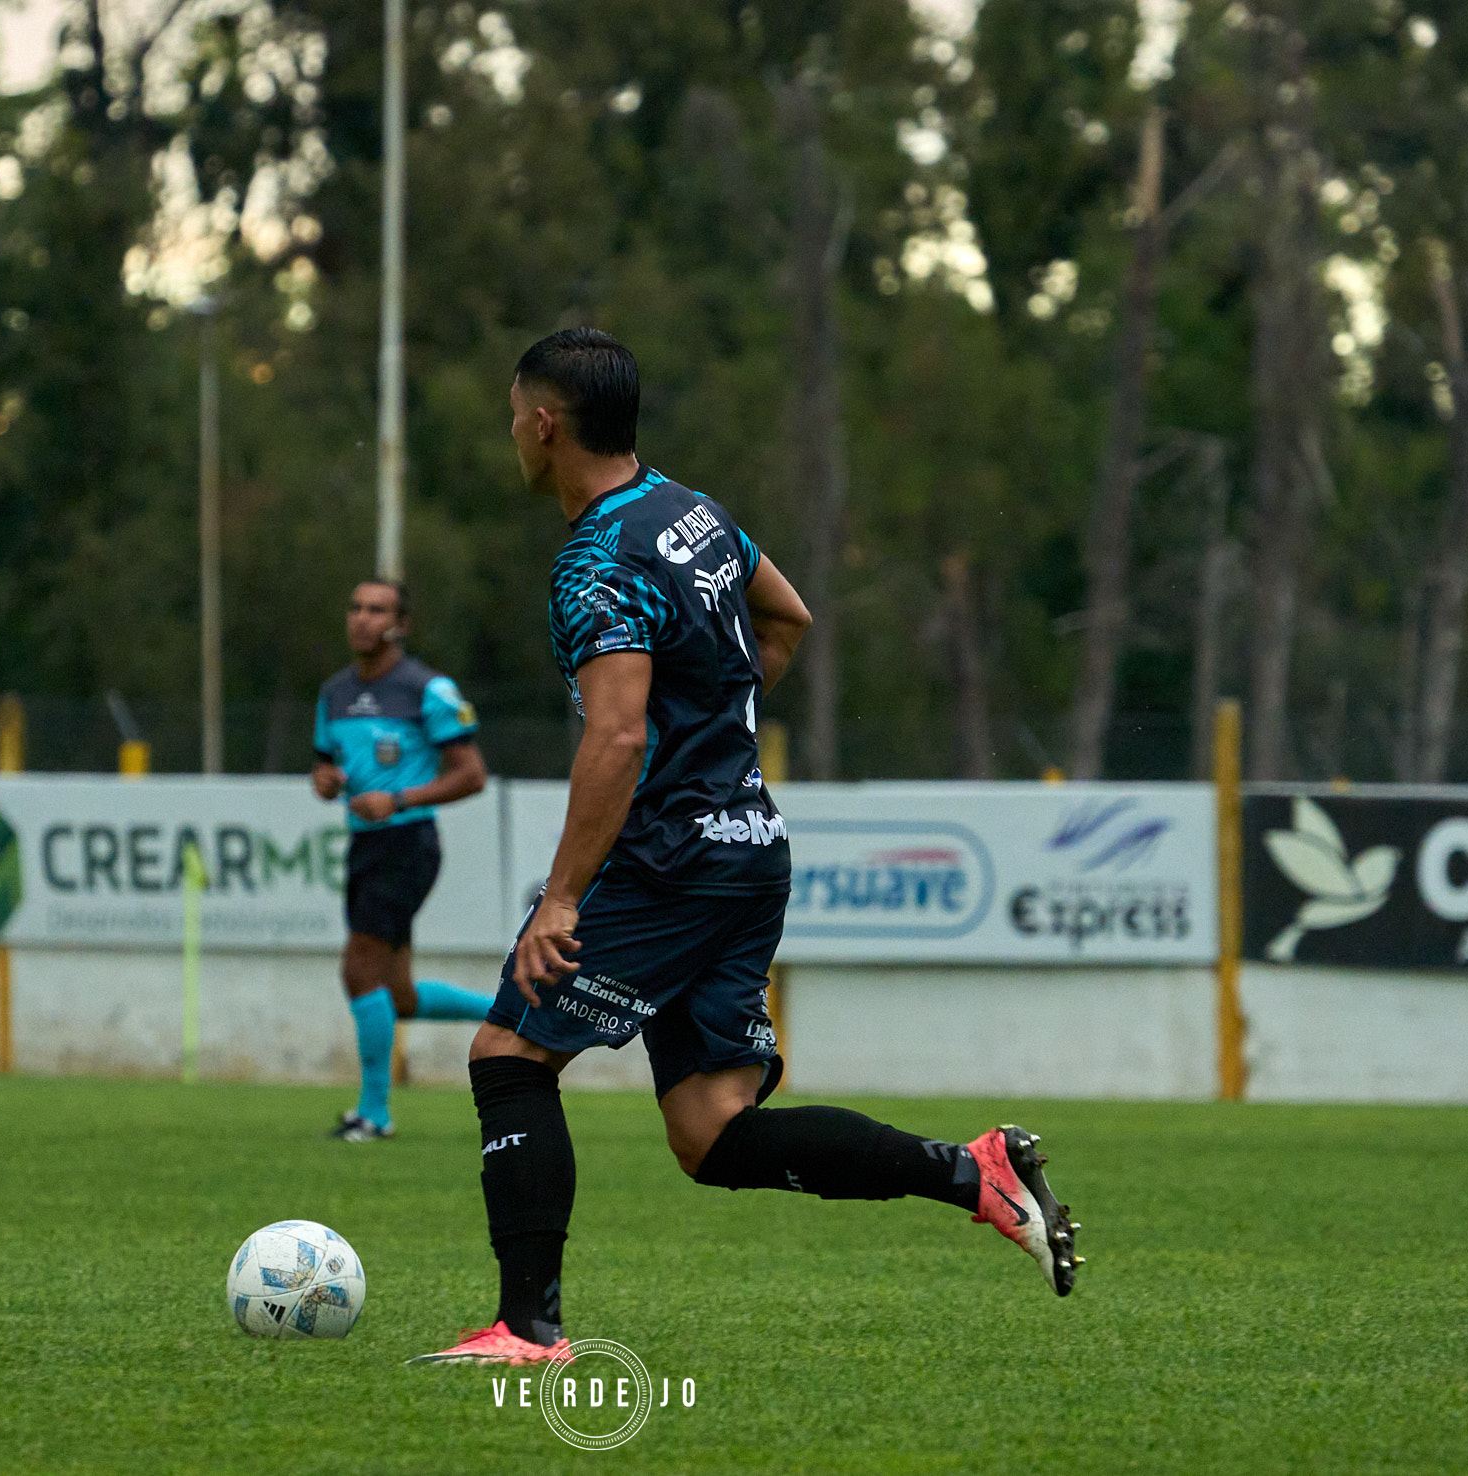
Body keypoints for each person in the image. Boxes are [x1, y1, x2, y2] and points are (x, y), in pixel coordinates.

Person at [413, 329, 1081, 1364]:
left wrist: (559, 899)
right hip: (747, 849)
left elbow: (617, 734)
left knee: (508, 1055)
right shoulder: (691, 511)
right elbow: (789, 618)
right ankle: (971, 1170)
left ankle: (526, 1329)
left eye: (513, 414)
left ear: (544, 424)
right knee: (711, 1132)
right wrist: (712, 714)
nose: (510, 431)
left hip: (667, 862)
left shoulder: (597, 560)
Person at [312, 579, 497, 1142]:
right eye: (356, 607)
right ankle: (510, 1014)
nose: (363, 619)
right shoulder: (335, 693)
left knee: (358, 968)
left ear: (401, 624)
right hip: (367, 845)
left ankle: (375, 1114)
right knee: (398, 995)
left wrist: (397, 798)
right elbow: (326, 764)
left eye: (377, 610)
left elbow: (471, 775)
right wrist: (324, 780)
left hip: (407, 841)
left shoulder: (429, 690)